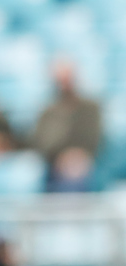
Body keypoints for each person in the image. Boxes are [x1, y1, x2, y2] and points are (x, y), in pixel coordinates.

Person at [32, 60, 102, 192]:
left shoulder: (90, 108)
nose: (64, 83)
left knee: (76, 174)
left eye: (67, 78)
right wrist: (61, 157)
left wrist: (79, 155)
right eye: (60, 79)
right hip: (54, 163)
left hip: (85, 160)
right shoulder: (48, 110)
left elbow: (95, 138)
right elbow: (41, 142)